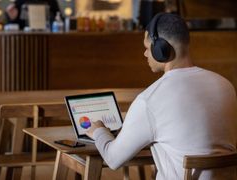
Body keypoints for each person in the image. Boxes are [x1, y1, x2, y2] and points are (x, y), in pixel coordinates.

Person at [86, 13, 237, 179]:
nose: (145, 54)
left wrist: (98, 131)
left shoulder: (149, 100)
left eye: (147, 47)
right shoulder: (226, 86)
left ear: (161, 49)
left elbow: (113, 159)